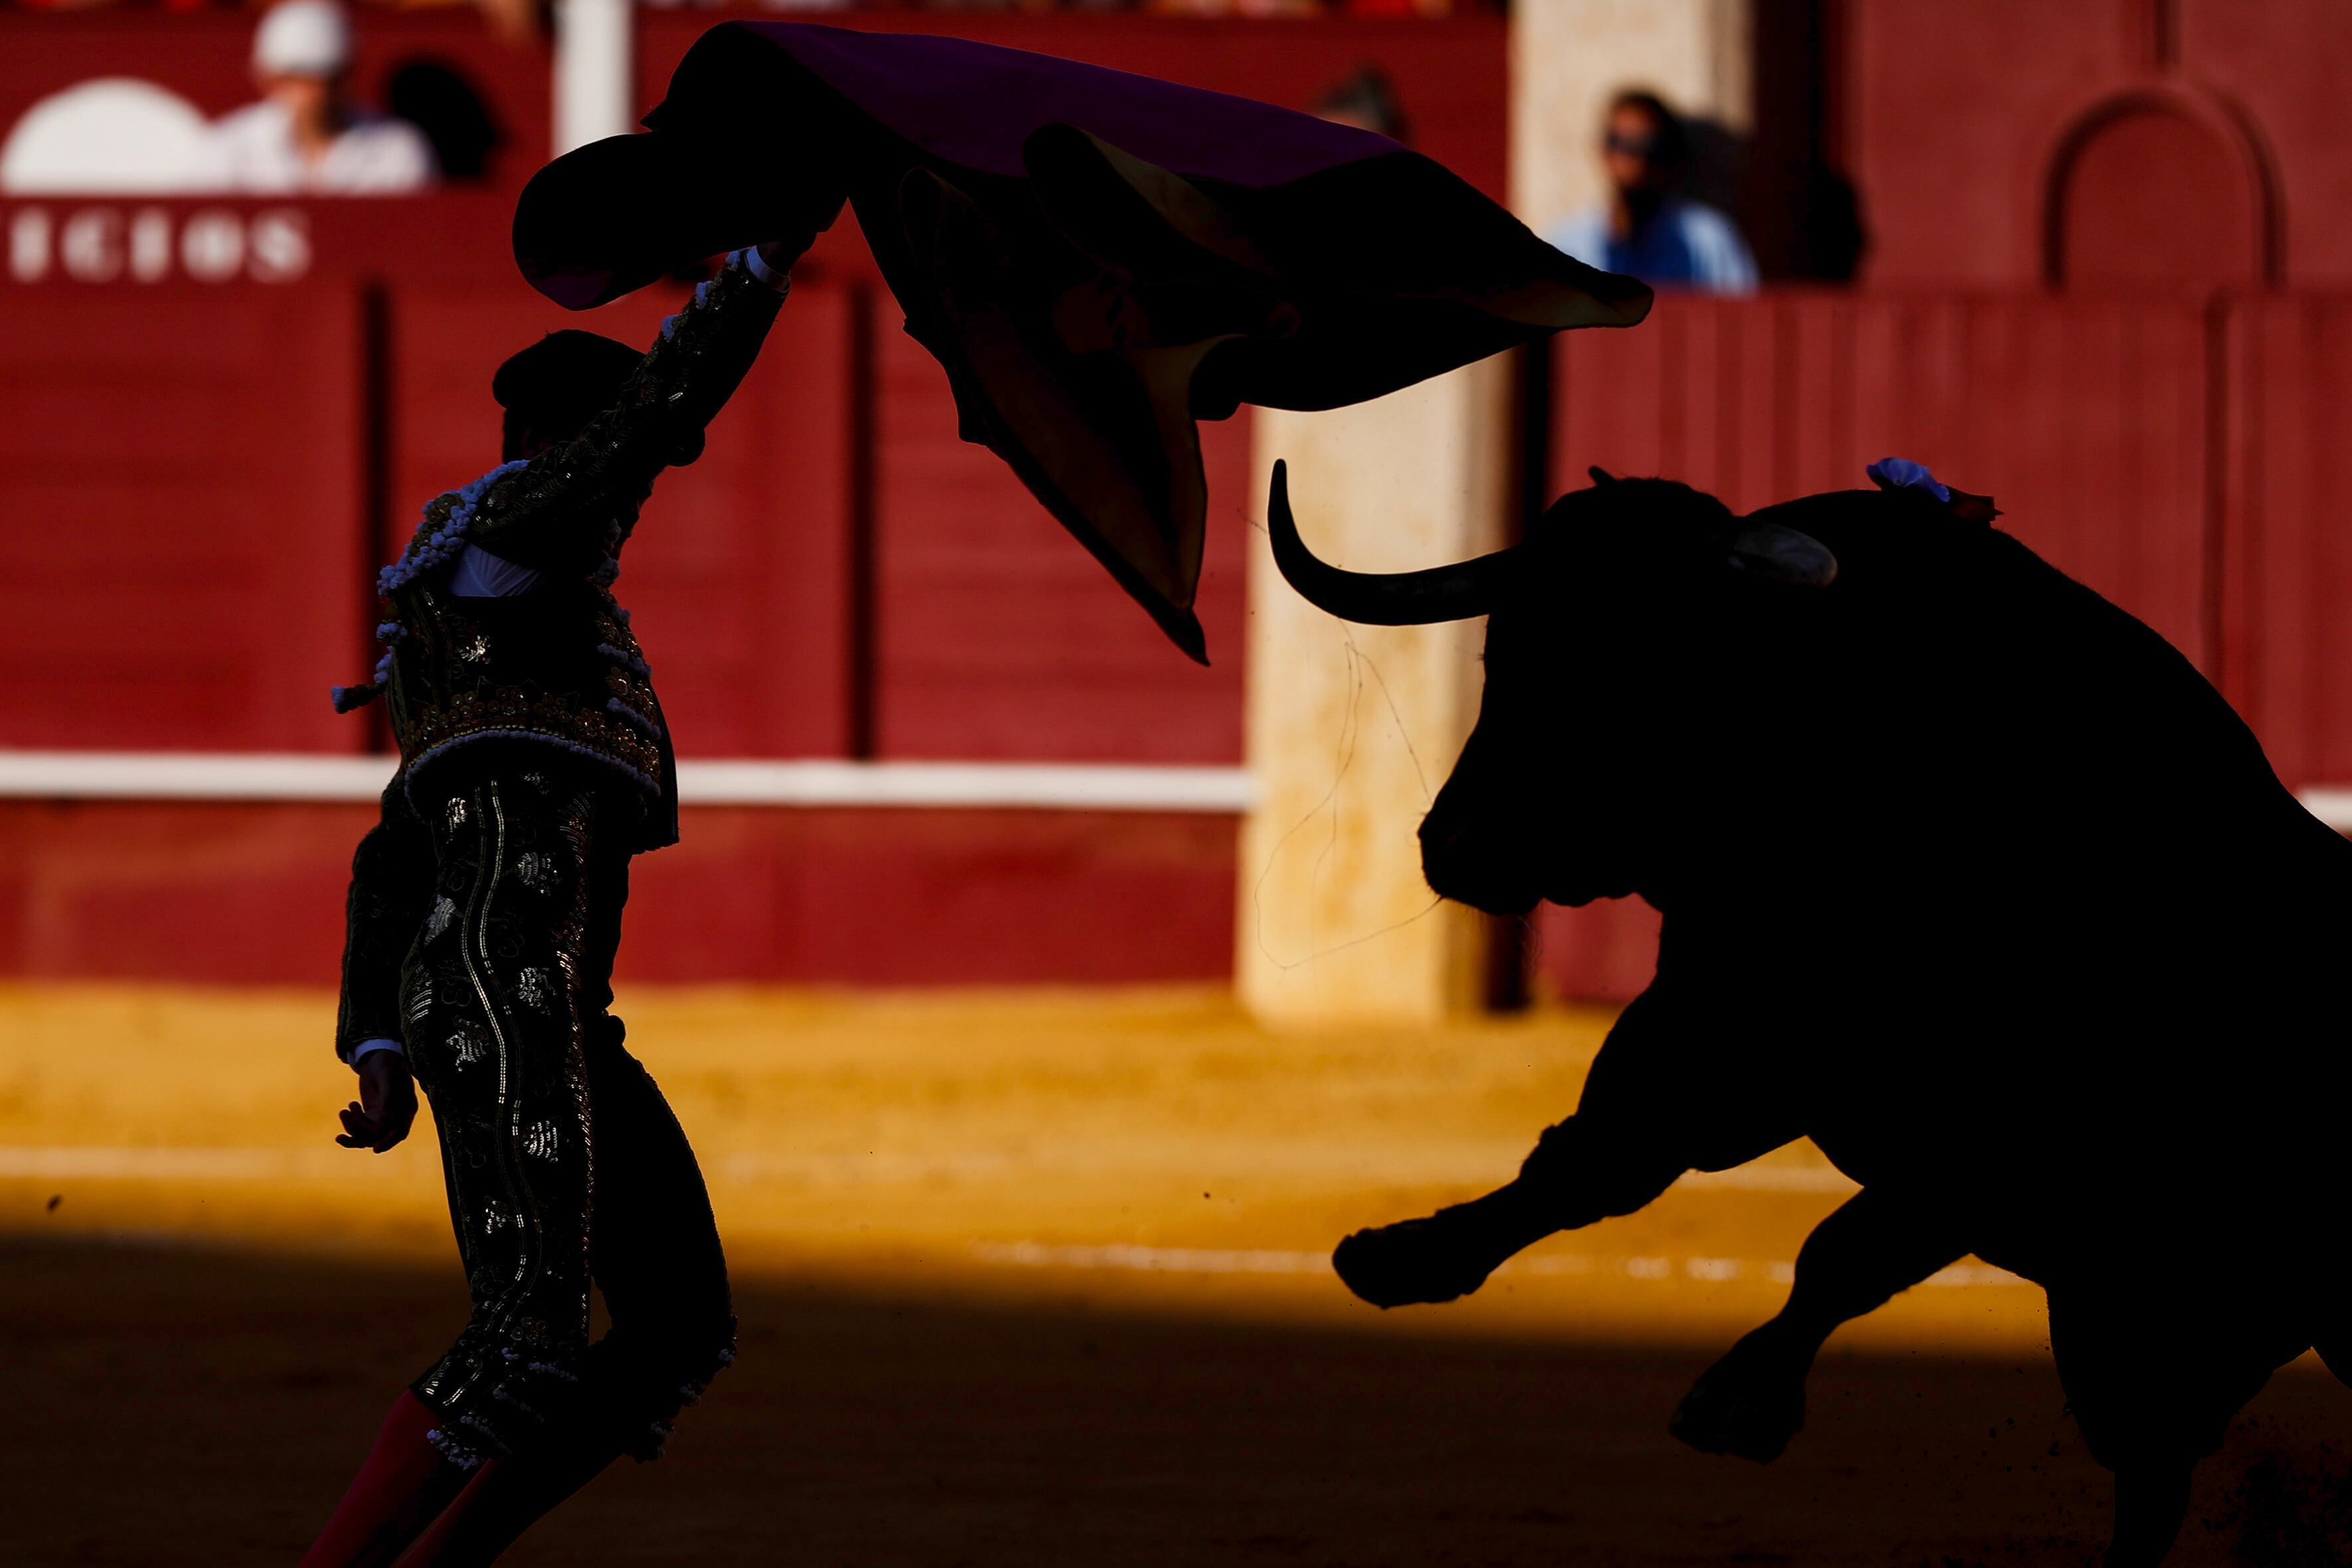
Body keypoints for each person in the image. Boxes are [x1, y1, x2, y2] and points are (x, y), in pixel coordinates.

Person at [298, 228, 814, 1568]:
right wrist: (757, 268)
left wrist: (379, 1037)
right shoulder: (522, 532)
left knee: (676, 1324)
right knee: (526, 1329)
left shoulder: (471, 607)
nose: (640, 495)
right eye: (623, 466)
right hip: (509, 987)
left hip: (530, 998)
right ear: (573, 444)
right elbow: (657, 417)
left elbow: (390, 851)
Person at [195, 0, 436, 195]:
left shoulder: (397, 150)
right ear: (265, 79)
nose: (312, 94)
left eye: (326, 79)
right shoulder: (228, 149)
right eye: (294, 78)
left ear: (348, 76)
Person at [1544, 89, 1756, 294]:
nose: (1631, 158)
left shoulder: (1707, 241)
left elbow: (1741, 319)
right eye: (1618, 142)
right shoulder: (1570, 246)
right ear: (1603, 152)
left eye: (1646, 145)